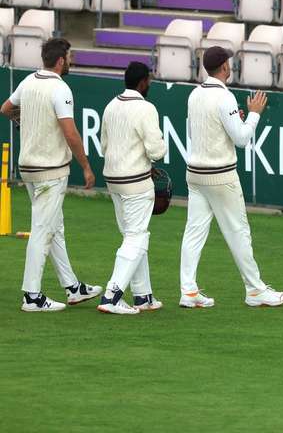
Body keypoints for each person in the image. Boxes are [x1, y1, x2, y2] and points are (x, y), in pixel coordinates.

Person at [179, 46, 283, 308]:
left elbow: (196, 134)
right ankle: (255, 290)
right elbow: (241, 139)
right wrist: (254, 115)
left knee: (194, 232)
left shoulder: (195, 94)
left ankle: (188, 291)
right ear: (225, 67)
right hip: (220, 174)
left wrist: (236, 123)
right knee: (239, 232)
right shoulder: (225, 97)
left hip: (195, 173)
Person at [0, 38, 101, 312]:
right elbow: (71, 133)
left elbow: (6, 109)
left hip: (29, 168)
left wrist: (23, 123)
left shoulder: (28, 81)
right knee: (44, 230)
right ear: (60, 61)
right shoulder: (60, 88)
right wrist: (87, 166)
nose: (71, 61)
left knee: (54, 228)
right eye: (69, 57)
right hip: (50, 171)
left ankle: (72, 287)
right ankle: (31, 296)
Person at [97, 62, 167, 315]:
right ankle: (112, 296)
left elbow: (104, 145)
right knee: (136, 237)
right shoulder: (146, 108)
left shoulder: (110, 105)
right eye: (149, 79)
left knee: (132, 236)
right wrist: (148, 160)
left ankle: (143, 295)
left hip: (113, 179)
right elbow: (157, 150)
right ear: (143, 82)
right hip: (136, 181)